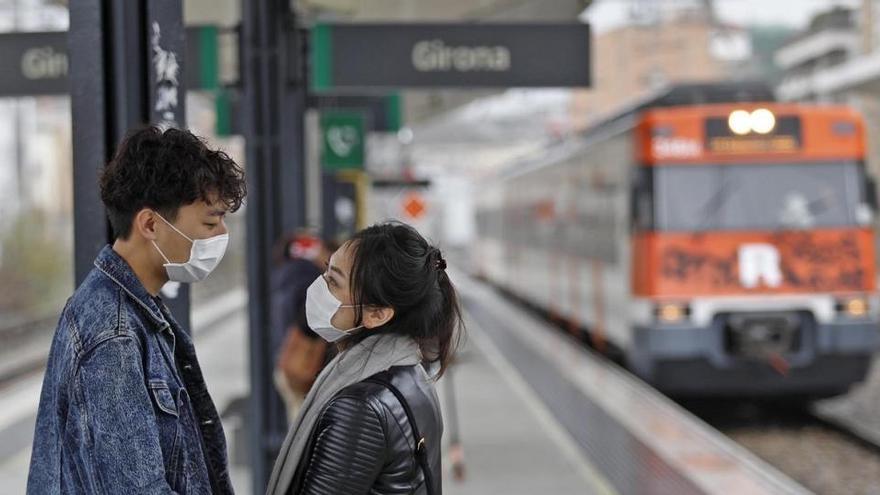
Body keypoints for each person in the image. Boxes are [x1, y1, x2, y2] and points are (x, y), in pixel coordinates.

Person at [27, 126, 247, 494]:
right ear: (150, 224)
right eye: (210, 222)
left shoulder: (132, 313)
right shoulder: (114, 335)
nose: (221, 235)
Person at [266, 222, 463, 495]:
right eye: (325, 271)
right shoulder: (412, 374)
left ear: (378, 313)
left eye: (333, 282)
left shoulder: (359, 407)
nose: (318, 287)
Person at [271, 233, 338, 422]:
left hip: (287, 366)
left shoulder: (284, 278)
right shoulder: (310, 280)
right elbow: (310, 321)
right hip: (307, 368)